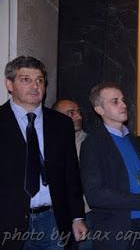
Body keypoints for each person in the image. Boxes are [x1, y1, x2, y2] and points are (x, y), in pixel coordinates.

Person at [0, 56, 87, 250]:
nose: (35, 86)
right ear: (9, 84)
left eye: (39, 80)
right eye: (25, 79)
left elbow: (71, 174)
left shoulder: (61, 123)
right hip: (8, 221)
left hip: (54, 219)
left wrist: (77, 216)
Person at [79, 82, 140, 250]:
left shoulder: (133, 140)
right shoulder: (93, 144)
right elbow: (95, 194)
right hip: (117, 228)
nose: (123, 105)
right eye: (115, 101)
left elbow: (138, 177)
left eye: (122, 100)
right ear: (99, 109)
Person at [53, 99, 92, 250]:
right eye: (71, 113)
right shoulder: (48, 143)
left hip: (86, 211)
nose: (78, 116)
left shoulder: (90, 142)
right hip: (56, 213)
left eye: (78, 112)